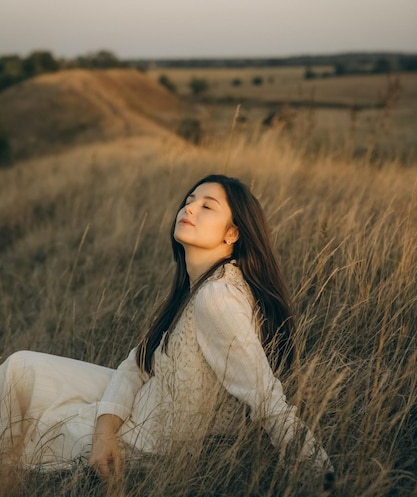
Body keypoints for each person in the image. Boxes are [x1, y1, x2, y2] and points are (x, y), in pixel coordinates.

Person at [0, 174, 332, 477]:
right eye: (189, 200)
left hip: (147, 442)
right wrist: (105, 426)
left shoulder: (216, 298)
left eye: (207, 206)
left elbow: (266, 398)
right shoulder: (193, 288)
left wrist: (322, 477)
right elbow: (137, 365)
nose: (190, 208)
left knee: (34, 432)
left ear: (232, 233)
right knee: (20, 368)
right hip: (146, 400)